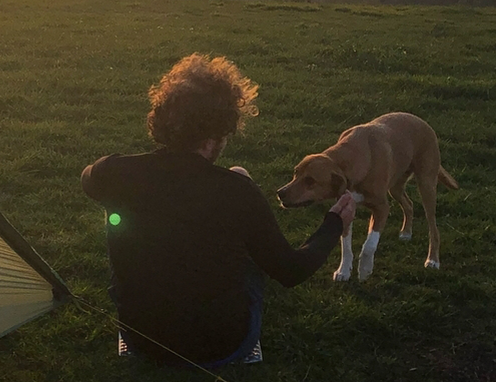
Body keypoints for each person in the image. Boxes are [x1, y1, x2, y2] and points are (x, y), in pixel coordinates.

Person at [81, 53, 356, 367]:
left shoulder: (113, 172)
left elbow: (88, 177)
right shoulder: (238, 192)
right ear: (214, 137)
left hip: (142, 339)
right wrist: (334, 223)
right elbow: (290, 270)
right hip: (221, 346)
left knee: (114, 212)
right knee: (251, 255)